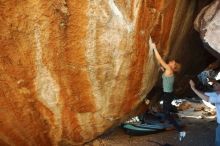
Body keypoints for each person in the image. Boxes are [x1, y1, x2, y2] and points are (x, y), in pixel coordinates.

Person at [151, 43, 186, 141]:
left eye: (173, 62)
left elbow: (160, 60)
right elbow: (165, 74)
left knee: (167, 114)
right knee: (166, 112)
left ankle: (181, 131)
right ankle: (170, 120)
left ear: (173, 67)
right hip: (168, 94)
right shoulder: (168, 71)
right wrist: (162, 70)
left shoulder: (169, 69)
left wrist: (154, 48)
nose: (171, 61)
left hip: (168, 95)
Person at [189, 79, 220, 146]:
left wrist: (193, 88)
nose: (213, 85)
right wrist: (195, 88)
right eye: (214, 84)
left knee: (218, 142)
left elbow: (207, 99)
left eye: (216, 84)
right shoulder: (216, 93)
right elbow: (204, 94)